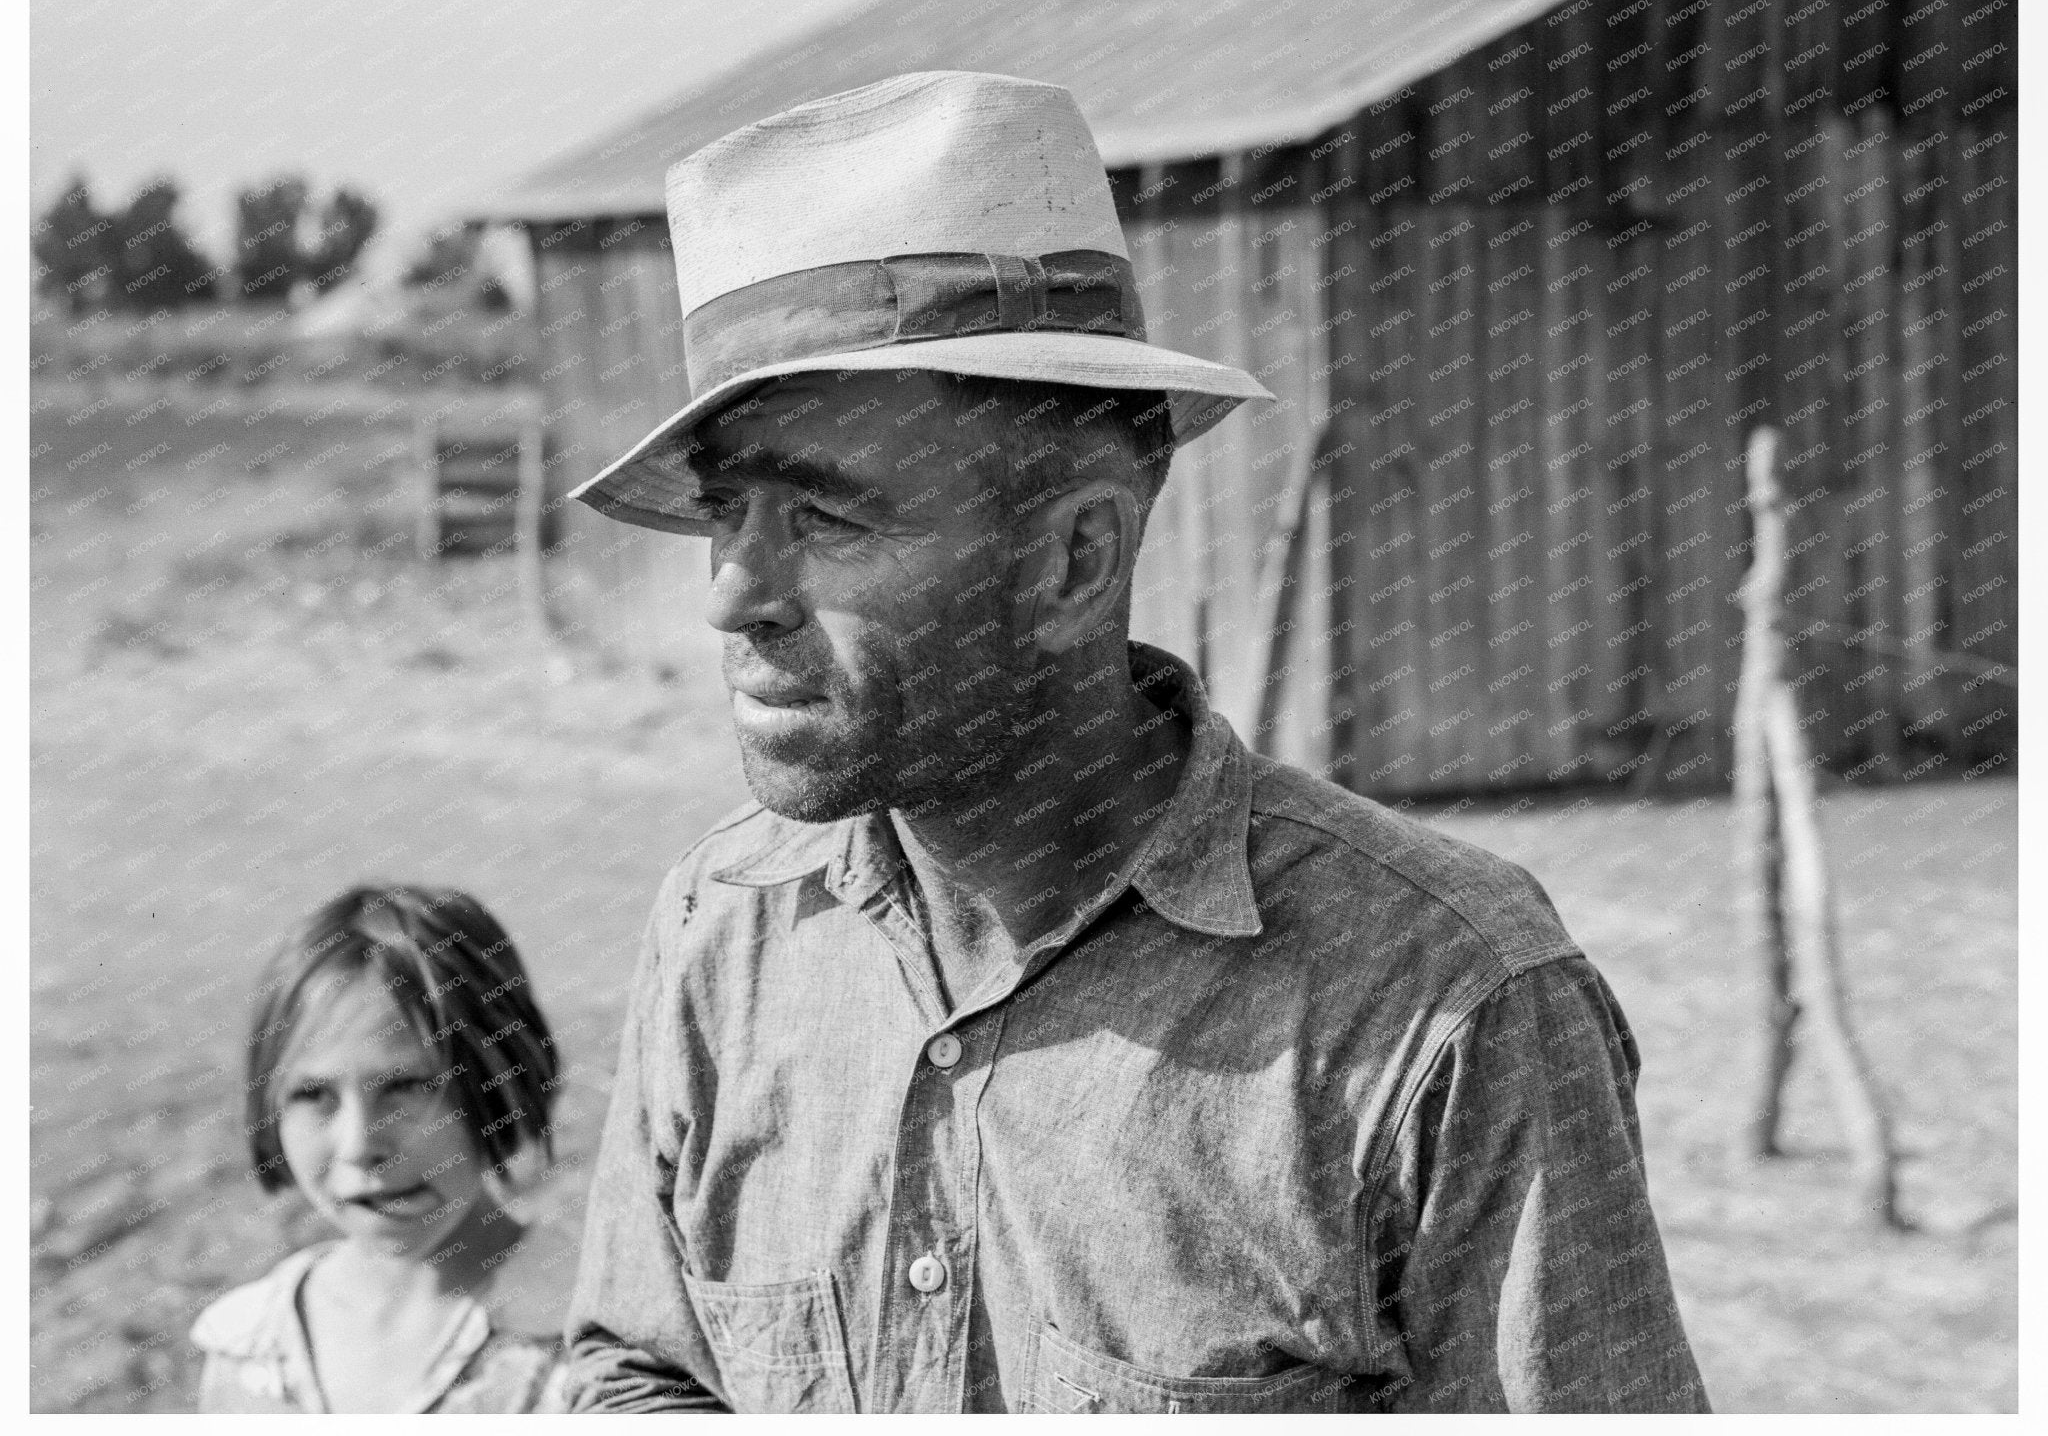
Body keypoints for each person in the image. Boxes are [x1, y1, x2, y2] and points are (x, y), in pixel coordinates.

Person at [561, 70, 1709, 1412]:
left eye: (825, 520)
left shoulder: (1441, 1001)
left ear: (1073, 558)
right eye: (726, 515)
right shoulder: (725, 933)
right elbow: (636, 1368)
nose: (733, 595)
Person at [190, 884, 568, 1413]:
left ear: (501, 1077)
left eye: (409, 1086)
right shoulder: (248, 1351)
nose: (360, 1145)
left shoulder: (590, 1342)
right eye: (313, 1094)